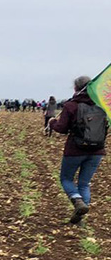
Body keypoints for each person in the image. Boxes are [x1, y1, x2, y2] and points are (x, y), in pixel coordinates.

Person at [48, 76, 107, 225]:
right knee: (84, 184)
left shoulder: (71, 105)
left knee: (66, 179)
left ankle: (76, 200)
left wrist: (52, 122)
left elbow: (62, 128)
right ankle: (80, 218)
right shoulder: (102, 104)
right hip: (97, 151)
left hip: (75, 150)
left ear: (75, 88)